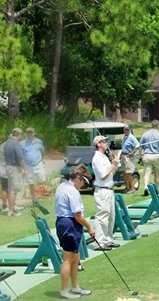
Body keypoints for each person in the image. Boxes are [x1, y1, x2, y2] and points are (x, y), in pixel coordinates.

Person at [55, 166, 95, 299]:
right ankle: (64, 290)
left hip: (64, 223)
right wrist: (90, 227)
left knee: (75, 257)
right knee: (68, 259)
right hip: (69, 224)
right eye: (83, 182)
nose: (83, 185)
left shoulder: (62, 186)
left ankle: (75, 287)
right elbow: (77, 216)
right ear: (78, 178)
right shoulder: (72, 191)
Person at [91, 135, 119, 251]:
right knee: (102, 216)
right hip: (102, 190)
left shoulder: (104, 156)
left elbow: (111, 172)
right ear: (98, 144)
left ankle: (108, 240)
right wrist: (112, 166)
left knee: (111, 216)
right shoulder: (96, 158)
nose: (106, 143)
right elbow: (102, 175)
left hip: (109, 189)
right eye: (104, 141)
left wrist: (114, 164)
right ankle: (99, 242)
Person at [140, 120, 159, 195]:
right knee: (157, 173)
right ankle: (156, 189)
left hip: (147, 155)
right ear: (158, 126)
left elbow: (140, 146)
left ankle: (145, 187)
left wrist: (141, 156)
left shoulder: (145, 134)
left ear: (151, 125)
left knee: (147, 173)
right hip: (156, 155)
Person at [21, 127, 47, 204]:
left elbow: (42, 152)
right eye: (28, 132)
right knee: (30, 182)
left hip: (38, 164)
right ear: (26, 134)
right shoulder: (22, 143)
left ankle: (38, 195)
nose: (30, 134)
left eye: (31, 132)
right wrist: (22, 167)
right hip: (28, 165)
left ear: (34, 133)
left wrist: (42, 161)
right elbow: (20, 156)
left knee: (42, 180)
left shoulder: (39, 142)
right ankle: (34, 198)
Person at [4, 128, 26, 217]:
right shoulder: (15, 143)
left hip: (8, 167)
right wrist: (24, 169)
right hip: (14, 168)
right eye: (21, 135)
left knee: (10, 189)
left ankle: (12, 207)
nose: (21, 137)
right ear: (18, 134)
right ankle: (12, 211)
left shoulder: (7, 143)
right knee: (14, 190)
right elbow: (20, 158)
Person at [121, 125, 139, 193]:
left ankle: (132, 188)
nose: (125, 131)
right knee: (125, 174)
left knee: (128, 173)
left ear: (129, 130)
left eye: (127, 129)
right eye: (124, 129)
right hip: (123, 156)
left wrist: (132, 152)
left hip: (128, 157)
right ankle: (127, 187)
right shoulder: (125, 137)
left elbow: (137, 146)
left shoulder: (132, 137)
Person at [0, 141, 8, 212]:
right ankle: (6, 205)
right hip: (6, 170)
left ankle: (4, 205)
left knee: (4, 188)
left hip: (2, 170)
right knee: (7, 189)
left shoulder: (2, 146)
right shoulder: (7, 146)